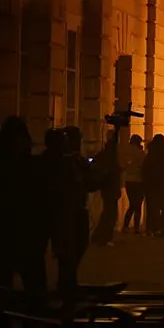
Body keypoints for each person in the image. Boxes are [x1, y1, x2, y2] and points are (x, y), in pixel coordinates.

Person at [0, 117, 46, 325]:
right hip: (23, 234)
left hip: (17, 233)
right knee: (33, 287)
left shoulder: (28, 166)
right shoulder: (32, 166)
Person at [57, 126, 101, 296]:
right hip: (65, 211)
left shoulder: (76, 160)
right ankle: (66, 283)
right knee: (67, 249)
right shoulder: (62, 161)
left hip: (76, 210)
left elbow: (91, 181)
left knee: (77, 246)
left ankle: (68, 281)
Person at [90, 132, 122, 246]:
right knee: (110, 214)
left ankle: (100, 236)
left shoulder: (104, 155)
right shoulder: (110, 156)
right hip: (110, 188)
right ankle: (103, 237)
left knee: (109, 213)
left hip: (108, 188)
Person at [122, 135, 146, 234]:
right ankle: (136, 227)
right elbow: (143, 165)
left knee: (132, 204)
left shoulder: (126, 152)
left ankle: (126, 226)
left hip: (128, 181)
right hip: (139, 181)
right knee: (137, 205)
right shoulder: (140, 153)